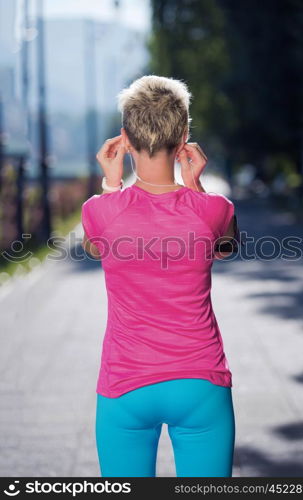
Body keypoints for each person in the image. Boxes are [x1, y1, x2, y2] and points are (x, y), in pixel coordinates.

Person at [81, 75, 242, 478]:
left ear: (124, 139)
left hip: (125, 385)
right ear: (185, 135)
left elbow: (94, 247)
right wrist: (196, 187)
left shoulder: (100, 211)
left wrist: (111, 185)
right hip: (201, 383)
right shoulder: (214, 209)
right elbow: (226, 246)